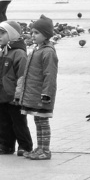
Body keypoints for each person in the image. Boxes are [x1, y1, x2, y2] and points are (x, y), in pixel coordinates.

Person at [15, 15, 58, 160]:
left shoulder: (48, 52)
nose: (33, 35)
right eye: (32, 32)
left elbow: (49, 75)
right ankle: (39, 148)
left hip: (42, 95)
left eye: (36, 33)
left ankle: (45, 150)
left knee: (43, 122)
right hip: (34, 93)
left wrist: (47, 94)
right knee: (38, 121)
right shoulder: (37, 49)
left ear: (45, 35)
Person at [0, 21, 33, 156]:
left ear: (12, 34)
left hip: (14, 96)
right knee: (2, 122)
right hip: (2, 96)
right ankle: (5, 145)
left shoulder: (19, 54)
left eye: (3, 33)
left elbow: (23, 76)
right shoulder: (1, 53)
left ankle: (25, 146)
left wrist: (20, 94)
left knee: (18, 123)